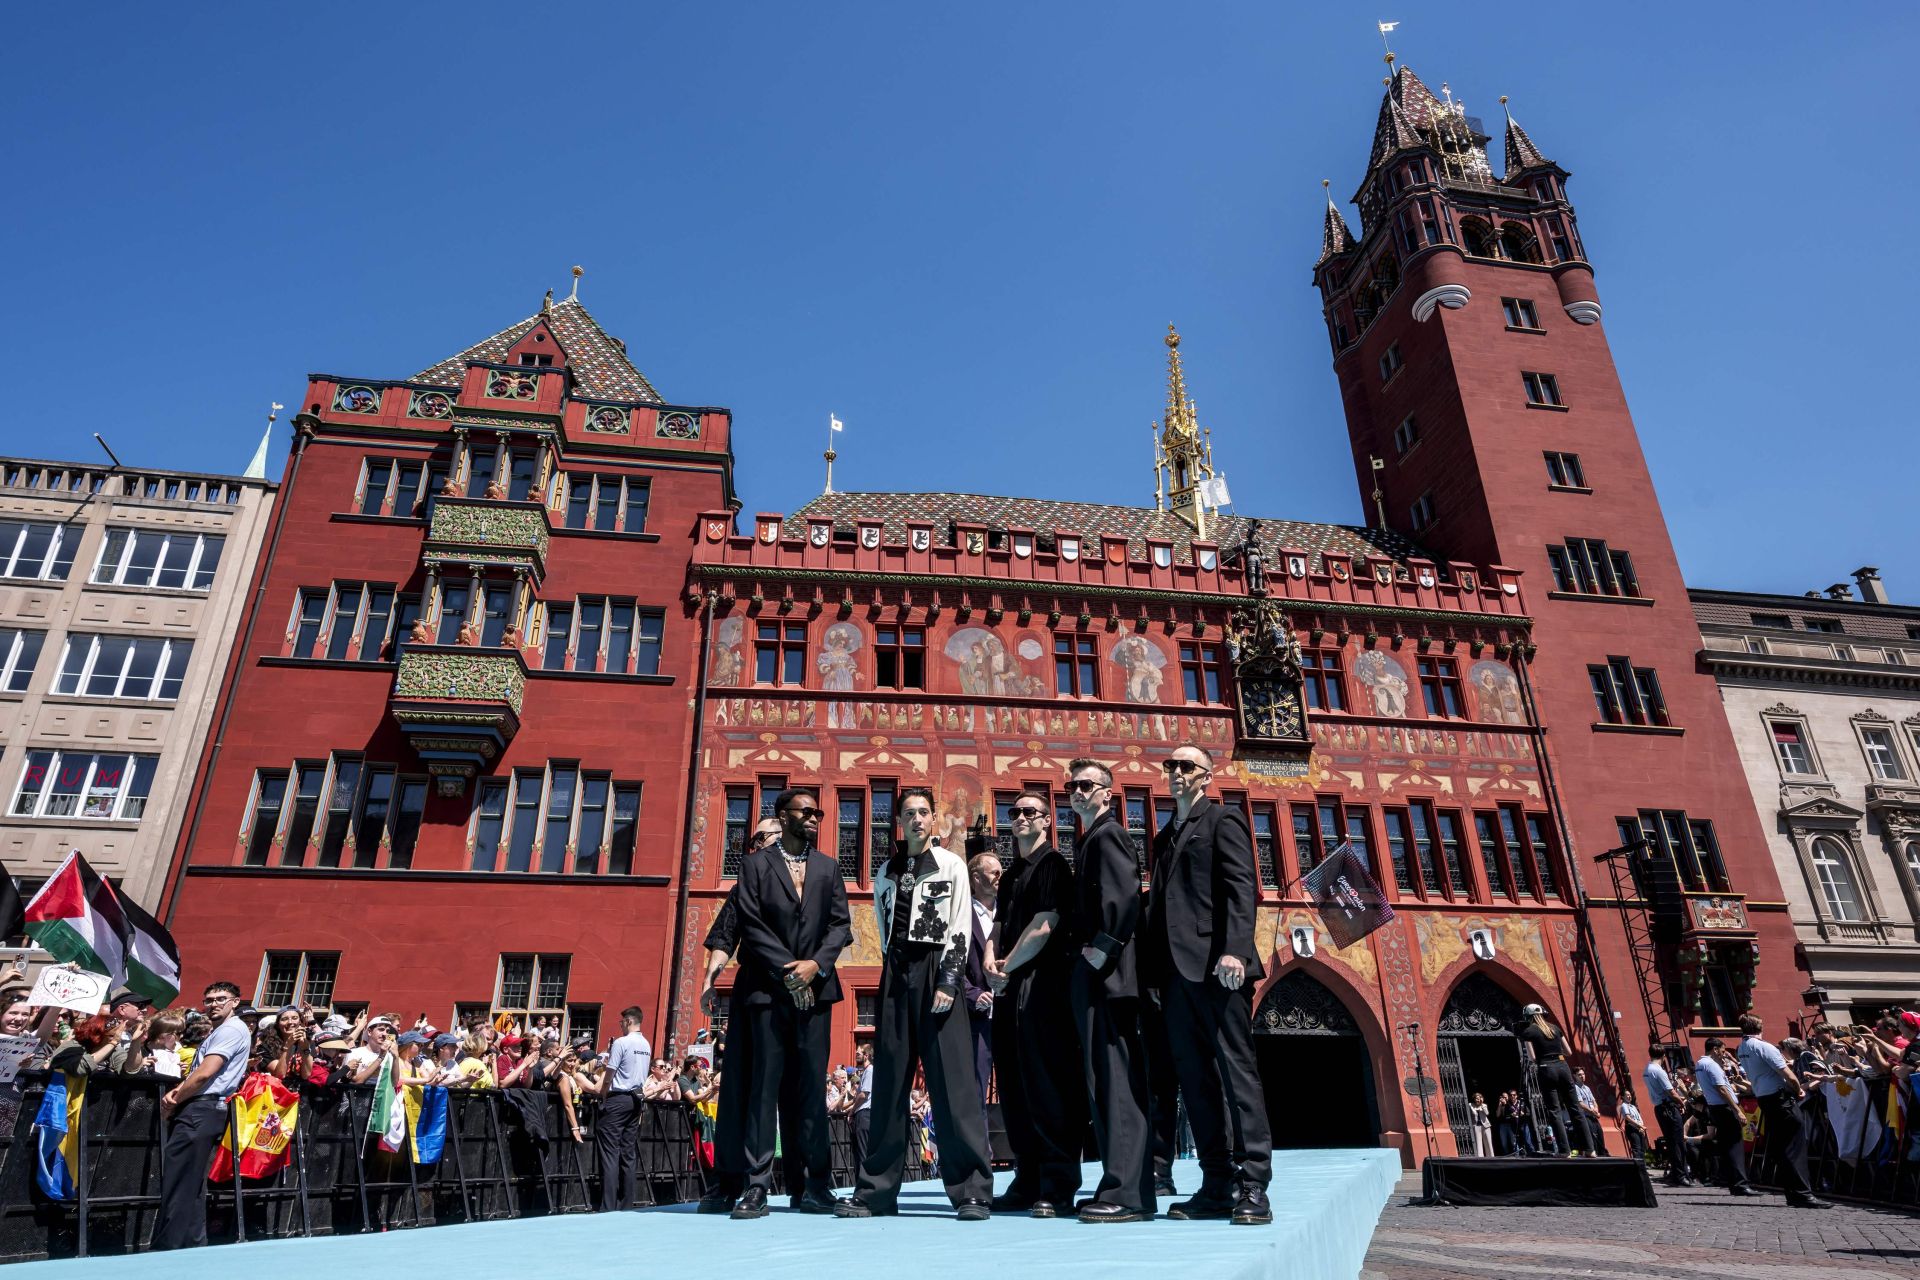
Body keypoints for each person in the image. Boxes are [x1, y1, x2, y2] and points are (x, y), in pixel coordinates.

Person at [839, 787, 993, 1221]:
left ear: (933, 820)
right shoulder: (886, 870)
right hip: (897, 971)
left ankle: (971, 1191)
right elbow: (883, 924)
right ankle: (876, 1191)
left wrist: (949, 978)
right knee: (888, 1083)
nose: (918, 819)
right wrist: (892, 972)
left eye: (925, 812)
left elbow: (960, 922)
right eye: (910, 813)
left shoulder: (951, 866)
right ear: (900, 822)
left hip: (937, 966)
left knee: (953, 1084)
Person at [1142, 744, 1272, 1225]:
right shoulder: (1165, 835)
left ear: (1205, 775)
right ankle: (1216, 1184)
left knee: (1237, 1076)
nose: (1175, 772)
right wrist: (1153, 974)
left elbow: (1242, 886)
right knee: (1195, 1083)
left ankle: (1254, 1182)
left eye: (1186, 766)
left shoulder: (1223, 820)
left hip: (1219, 967)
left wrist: (1236, 948)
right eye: (1170, 766)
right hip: (1175, 976)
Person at [730, 789, 851, 1219]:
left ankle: (815, 1186)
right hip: (769, 989)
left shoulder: (828, 868)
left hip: (817, 992)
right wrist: (788, 969)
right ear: (783, 817)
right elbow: (750, 922)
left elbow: (841, 926)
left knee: (810, 1091)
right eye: (807, 811)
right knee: (764, 1090)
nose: (816, 817)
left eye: (818, 812)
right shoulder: (756, 865)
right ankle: (757, 1186)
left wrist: (815, 966)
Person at [986, 789, 1085, 1218]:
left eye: (1031, 812)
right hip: (1008, 985)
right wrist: (990, 957)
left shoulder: (1053, 865)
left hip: (1040, 986)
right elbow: (999, 923)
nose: (1022, 817)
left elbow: (1046, 925)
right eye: (1015, 812)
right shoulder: (1010, 875)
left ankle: (1059, 1183)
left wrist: (1006, 966)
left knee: (1047, 1084)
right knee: (1013, 1085)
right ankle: (1027, 1178)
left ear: (1047, 820)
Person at [1065, 758, 1155, 1222]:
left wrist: (1103, 949)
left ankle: (1129, 1193)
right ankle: (1118, 1182)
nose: (1077, 791)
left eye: (1086, 784)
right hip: (1097, 976)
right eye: (1071, 785)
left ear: (1106, 792)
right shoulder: (1089, 838)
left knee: (1116, 1083)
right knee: (1103, 1082)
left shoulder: (1110, 834)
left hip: (1109, 977)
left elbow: (1124, 896)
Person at [696, 817, 784, 1215]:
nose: (764, 844)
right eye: (762, 838)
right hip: (753, 991)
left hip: (792, 992)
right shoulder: (743, 886)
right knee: (737, 1088)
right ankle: (730, 1179)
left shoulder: (805, 880)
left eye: (768, 837)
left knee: (783, 1092)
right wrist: (711, 979)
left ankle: (783, 1182)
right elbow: (724, 935)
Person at [153, 981, 253, 1250]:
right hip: (204, 1108)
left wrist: (175, 1098)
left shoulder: (231, 1030)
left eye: (221, 998)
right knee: (191, 1183)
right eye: (208, 1000)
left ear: (235, 1001)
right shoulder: (223, 1030)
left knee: (180, 1181)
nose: (213, 1004)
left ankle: (168, 1246)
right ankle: (191, 1244)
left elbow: (206, 1072)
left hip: (202, 1108)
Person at [1736, 1014, 1829, 1208]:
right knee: (1795, 1145)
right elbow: (1789, 1076)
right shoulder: (1764, 1046)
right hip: (1779, 1098)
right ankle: (1803, 1194)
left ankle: (1793, 1192)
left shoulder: (1741, 1048)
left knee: (1783, 1147)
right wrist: (1798, 1090)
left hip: (1764, 1097)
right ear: (1760, 1027)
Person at [591, 1004, 653, 1211]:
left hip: (618, 1098)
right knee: (627, 1152)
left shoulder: (621, 1042)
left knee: (609, 1152)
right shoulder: (645, 1044)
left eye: (621, 1022)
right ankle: (625, 1203)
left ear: (628, 1021)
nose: (620, 1026)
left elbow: (610, 1070)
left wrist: (603, 1092)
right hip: (635, 1099)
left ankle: (608, 1205)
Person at [1516, 1003, 1581, 1157]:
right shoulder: (1555, 1028)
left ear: (1528, 1016)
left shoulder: (1529, 1031)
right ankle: (1589, 1149)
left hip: (1546, 1068)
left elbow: (1532, 1058)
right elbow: (1569, 1052)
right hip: (1563, 1066)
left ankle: (1564, 1151)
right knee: (1574, 1107)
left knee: (1554, 1110)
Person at [963, 850, 1001, 1113]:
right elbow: (948, 962)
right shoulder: (961, 913)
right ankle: (978, 1153)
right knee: (975, 1092)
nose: (1001, 877)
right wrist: (972, 994)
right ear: (976, 878)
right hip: (978, 1018)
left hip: (1011, 1014)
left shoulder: (1009, 912)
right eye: (994, 872)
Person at [1695, 1037, 1753, 1196]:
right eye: (1722, 1050)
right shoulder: (1712, 1065)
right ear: (1714, 1049)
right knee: (1735, 1145)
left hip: (1715, 1107)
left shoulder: (1699, 1064)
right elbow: (1722, 1089)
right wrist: (1737, 1110)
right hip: (1724, 1107)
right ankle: (1741, 1184)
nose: (1723, 1054)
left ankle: (1734, 1183)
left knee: (1727, 1146)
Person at [1643, 1041, 1692, 1185]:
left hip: (1659, 1107)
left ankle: (1675, 1173)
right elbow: (1670, 1092)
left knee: (1671, 1143)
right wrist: (1682, 1102)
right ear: (1663, 1056)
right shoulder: (1659, 1070)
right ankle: (1681, 1175)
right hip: (1668, 1107)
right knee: (1677, 1142)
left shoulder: (1647, 1069)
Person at [1572, 1067, 1608, 1155]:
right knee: (1593, 1137)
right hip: (1586, 1116)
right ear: (1574, 1076)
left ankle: (1602, 1155)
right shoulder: (1575, 1088)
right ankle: (1595, 1155)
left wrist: (1596, 1110)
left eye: (1583, 1074)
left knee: (1599, 1134)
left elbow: (1594, 1101)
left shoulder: (1587, 1088)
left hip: (1593, 1115)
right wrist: (1592, 1111)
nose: (1582, 1076)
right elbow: (1580, 1103)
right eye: (1579, 1075)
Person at [1617, 1093, 1649, 1162]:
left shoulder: (1633, 1107)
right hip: (1631, 1128)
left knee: (1642, 1149)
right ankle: (1638, 1169)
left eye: (1630, 1095)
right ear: (1623, 1097)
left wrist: (1642, 1127)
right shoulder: (1624, 1106)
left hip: (1639, 1128)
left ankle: (1643, 1168)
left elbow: (1639, 1118)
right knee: (1636, 1148)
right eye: (1627, 1095)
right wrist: (1640, 1126)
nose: (1629, 1096)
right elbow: (1628, 1118)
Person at [1468, 1093, 1494, 1157]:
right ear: (1474, 1099)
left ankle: (1491, 1156)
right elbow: (1472, 1113)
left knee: (1488, 1141)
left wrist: (1482, 1104)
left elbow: (1487, 1113)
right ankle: (1480, 1157)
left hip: (1486, 1125)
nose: (1478, 1100)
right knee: (1478, 1141)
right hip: (1476, 1125)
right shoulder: (1471, 1105)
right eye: (1476, 1098)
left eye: (1479, 1098)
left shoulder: (1484, 1105)